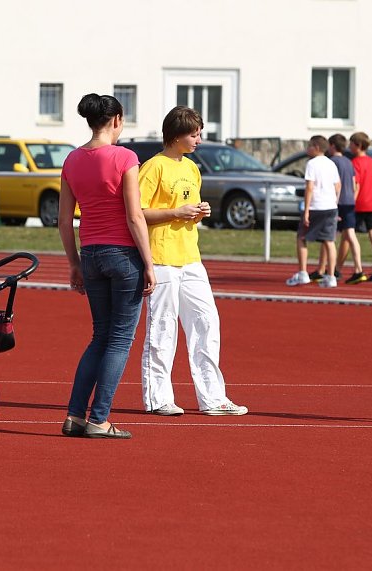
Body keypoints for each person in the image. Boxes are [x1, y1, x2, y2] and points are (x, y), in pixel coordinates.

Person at [59, 93, 156, 439]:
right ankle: (99, 418)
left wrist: (73, 264)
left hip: (92, 254)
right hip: (124, 254)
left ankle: (74, 415)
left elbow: (63, 220)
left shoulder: (71, 160)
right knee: (119, 339)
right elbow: (134, 216)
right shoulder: (125, 157)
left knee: (100, 336)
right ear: (116, 120)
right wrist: (149, 263)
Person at [139, 106, 247, 417]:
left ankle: (213, 398)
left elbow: (185, 209)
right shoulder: (153, 168)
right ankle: (158, 398)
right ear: (175, 135)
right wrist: (175, 213)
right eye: (193, 134)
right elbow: (138, 213)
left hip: (190, 258)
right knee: (162, 328)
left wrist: (199, 212)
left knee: (206, 322)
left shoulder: (191, 168)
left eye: (199, 133)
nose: (199, 139)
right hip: (161, 259)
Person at [308, 133, 366, 284]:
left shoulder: (332, 162)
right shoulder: (348, 161)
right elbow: (354, 184)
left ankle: (323, 270)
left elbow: (334, 184)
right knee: (347, 236)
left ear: (332, 146)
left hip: (336, 203)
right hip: (349, 202)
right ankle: (356, 268)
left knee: (327, 237)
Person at [286, 135, 341, 288]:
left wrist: (306, 210)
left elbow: (310, 187)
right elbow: (338, 186)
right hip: (330, 207)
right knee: (329, 241)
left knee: (301, 237)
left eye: (309, 146)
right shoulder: (331, 164)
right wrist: (335, 203)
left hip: (316, 206)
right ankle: (331, 276)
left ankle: (303, 272)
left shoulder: (311, 164)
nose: (307, 149)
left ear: (316, 147)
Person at [349, 131, 372, 282]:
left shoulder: (355, 162)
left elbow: (356, 185)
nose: (349, 146)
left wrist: (351, 202)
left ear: (357, 146)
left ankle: (338, 268)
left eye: (351, 143)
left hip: (360, 204)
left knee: (348, 235)